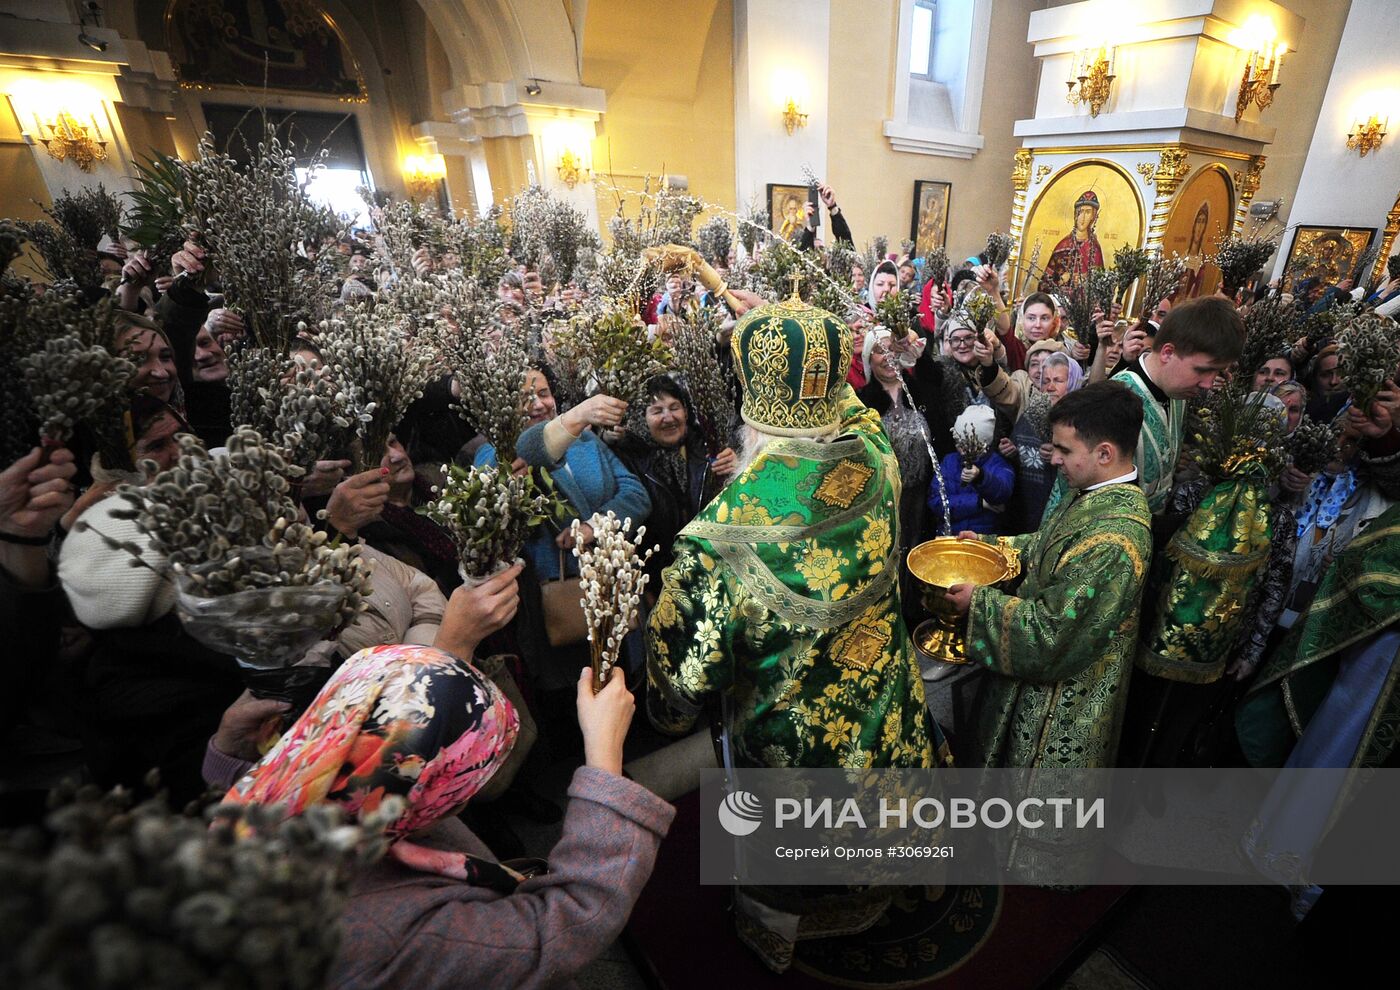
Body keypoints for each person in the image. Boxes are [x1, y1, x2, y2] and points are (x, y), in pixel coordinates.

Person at [646, 296, 944, 972]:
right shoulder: (875, 452)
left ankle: (777, 927)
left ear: (750, 396)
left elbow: (679, 690)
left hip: (792, 744)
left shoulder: (715, 541)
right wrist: (813, 341)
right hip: (885, 698)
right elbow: (856, 405)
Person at [214, 634, 673, 989]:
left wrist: (228, 757)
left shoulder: (280, 805)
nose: (470, 796)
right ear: (421, 789)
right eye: (469, 779)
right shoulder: (387, 936)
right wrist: (604, 762)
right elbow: (566, 923)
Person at [945, 381, 1153, 770]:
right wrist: (990, 547)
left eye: (1063, 449)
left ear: (1104, 453)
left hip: (1060, 710)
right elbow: (1050, 545)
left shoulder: (1115, 540)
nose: (1053, 459)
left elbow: (1052, 635)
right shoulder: (1093, 492)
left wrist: (979, 602)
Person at [1047, 296, 1244, 520]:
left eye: (1217, 372)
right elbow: (1074, 496)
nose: (1208, 383)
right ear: (1168, 353)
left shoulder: (1177, 391)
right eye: (1201, 370)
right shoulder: (1111, 404)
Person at [608, 375, 736, 592]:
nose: (668, 417)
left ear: (685, 412)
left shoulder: (710, 447)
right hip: (660, 583)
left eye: (674, 407)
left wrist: (737, 465)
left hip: (715, 575)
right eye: (657, 411)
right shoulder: (629, 461)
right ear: (641, 418)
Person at [929, 405, 1013, 536]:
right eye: (957, 442)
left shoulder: (999, 465)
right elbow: (936, 501)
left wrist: (981, 477)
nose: (961, 449)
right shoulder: (949, 462)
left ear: (983, 443)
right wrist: (979, 502)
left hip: (983, 540)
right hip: (950, 537)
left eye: (968, 444)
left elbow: (1002, 493)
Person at [1039, 190, 1106, 291]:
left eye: (1087, 212)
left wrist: (1082, 279)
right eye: (1080, 212)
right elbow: (1043, 285)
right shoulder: (1063, 246)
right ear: (1075, 214)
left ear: (1093, 216)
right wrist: (1060, 281)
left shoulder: (1095, 249)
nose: (1082, 217)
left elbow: (1100, 287)